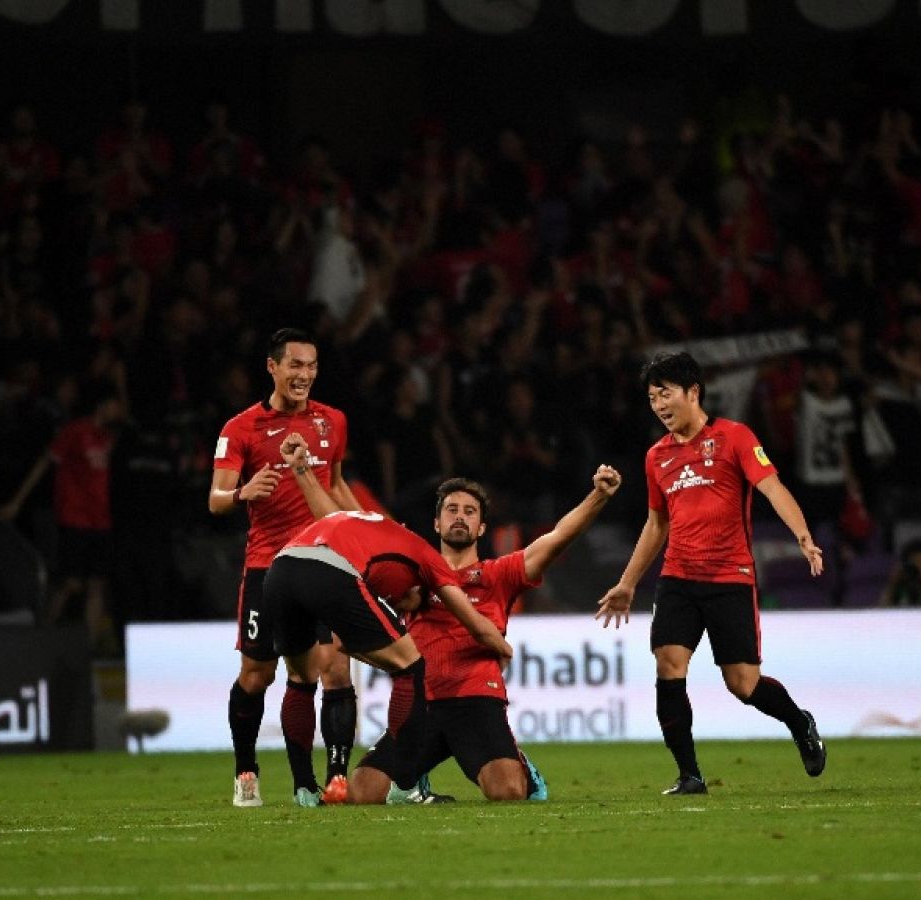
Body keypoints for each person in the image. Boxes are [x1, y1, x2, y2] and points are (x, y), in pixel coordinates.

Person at [596, 351, 827, 795]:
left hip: (729, 577)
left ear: (693, 392)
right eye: (651, 397)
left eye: (666, 394)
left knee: (743, 684)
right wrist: (627, 582)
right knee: (669, 663)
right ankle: (689, 775)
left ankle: (799, 722)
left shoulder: (734, 437)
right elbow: (657, 523)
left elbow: (771, 486)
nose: (659, 405)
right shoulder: (656, 457)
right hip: (678, 578)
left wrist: (801, 534)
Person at [257, 440, 514, 806]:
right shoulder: (425, 556)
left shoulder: (365, 527)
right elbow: (475, 623)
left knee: (300, 679)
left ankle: (303, 788)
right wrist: (504, 648)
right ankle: (407, 785)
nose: (400, 601)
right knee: (412, 667)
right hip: (330, 574)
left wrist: (301, 471)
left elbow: (326, 514)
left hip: (282, 568)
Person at [351, 467, 622, 804]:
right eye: (451, 510)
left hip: (476, 702)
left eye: (469, 512)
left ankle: (521, 765)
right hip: (421, 706)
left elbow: (557, 538)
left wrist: (598, 496)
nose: (460, 517)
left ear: (481, 527)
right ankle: (418, 783)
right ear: (436, 523)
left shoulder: (498, 575)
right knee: (363, 792)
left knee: (507, 792)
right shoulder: (412, 576)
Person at [209, 328, 362, 807]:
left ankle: (335, 777)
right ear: (272, 367)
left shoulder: (332, 421)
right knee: (258, 676)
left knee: (336, 669)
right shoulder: (241, 428)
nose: (305, 375)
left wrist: (367, 534)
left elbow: (334, 484)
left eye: (312, 365)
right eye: (295, 365)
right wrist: (241, 494)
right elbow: (215, 500)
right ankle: (246, 770)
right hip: (268, 569)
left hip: (324, 562)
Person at [0, 386, 124, 651]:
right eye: (115, 405)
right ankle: (40, 636)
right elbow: (44, 463)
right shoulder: (75, 432)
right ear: (102, 405)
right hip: (74, 518)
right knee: (70, 584)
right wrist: (17, 502)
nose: (119, 411)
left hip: (101, 521)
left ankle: (86, 650)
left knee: (97, 585)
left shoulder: (111, 438)